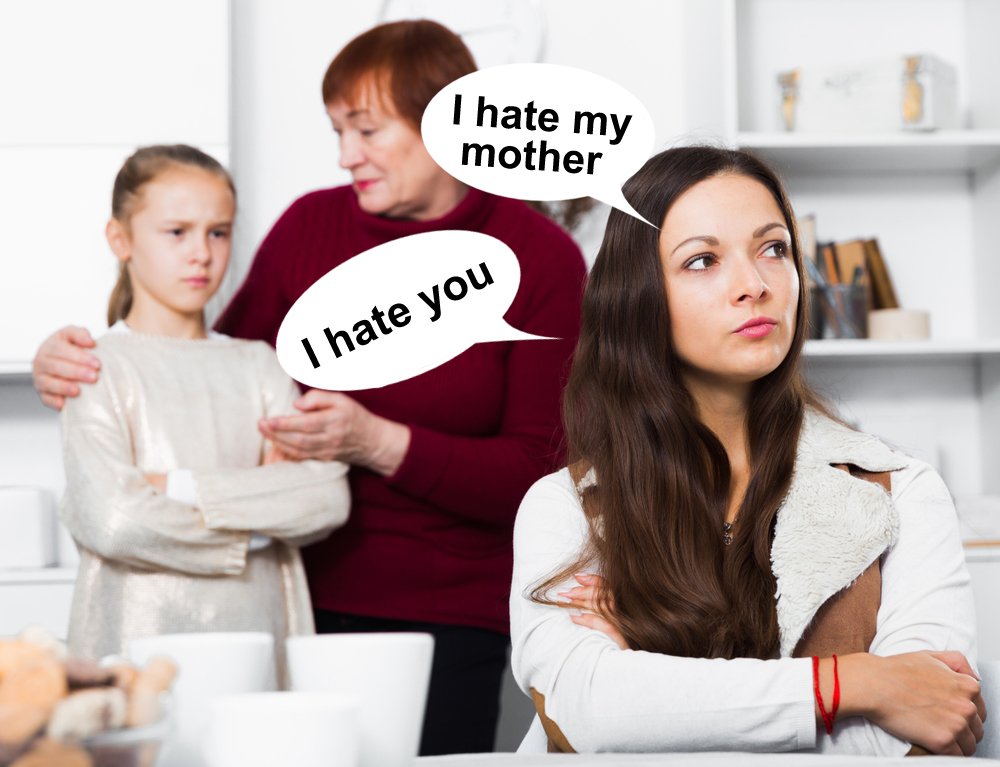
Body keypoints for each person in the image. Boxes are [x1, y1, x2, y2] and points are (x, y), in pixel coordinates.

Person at [33, 21, 586, 754]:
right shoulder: (307, 230)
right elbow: (206, 369)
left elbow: (539, 478)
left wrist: (376, 441)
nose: (345, 154)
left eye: (366, 129)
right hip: (291, 597)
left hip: (450, 615)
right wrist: (65, 354)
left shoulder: (539, 259)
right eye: (336, 131)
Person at [510, 146, 984, 757]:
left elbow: (926, 723)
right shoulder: (568, 508)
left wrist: (662, 695)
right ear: (638, 297)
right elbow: (589, 711)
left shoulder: (901, 489)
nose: (754, 286)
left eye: (774, 248)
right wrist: (851, 682)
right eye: (702, 260)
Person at [59, 145, 351, 683]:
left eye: (218, 232)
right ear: (120, 240)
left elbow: (324, 498)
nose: (202, 253)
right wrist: (259, 529)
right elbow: (115, 519)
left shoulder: (259, 363)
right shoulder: (95, 367)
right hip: (132, 644)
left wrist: (174, 487)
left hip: (259, 637)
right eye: (177, 232)